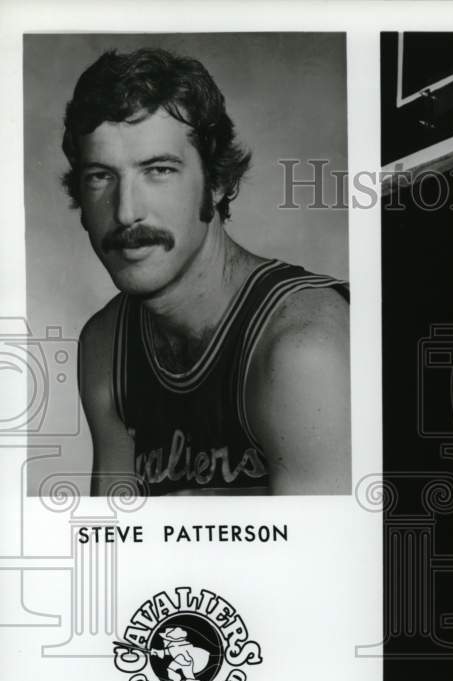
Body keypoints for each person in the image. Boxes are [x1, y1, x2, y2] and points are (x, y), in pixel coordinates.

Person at [66, 48, 350, 495]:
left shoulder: (300, 349)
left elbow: (320, 564)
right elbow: (113, 551)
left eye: (158, 170)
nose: (126, 213)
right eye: (101, 176)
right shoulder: (106, 346)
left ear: (217, 182)